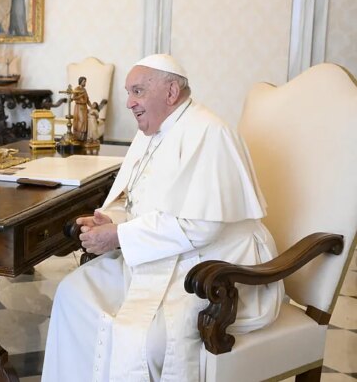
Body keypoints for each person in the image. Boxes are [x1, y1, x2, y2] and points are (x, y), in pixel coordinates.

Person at [42, 54, 283, 381]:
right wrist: (110, 219)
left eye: (137, 91)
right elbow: (132, 195)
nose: (128, 103)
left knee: (151, 341)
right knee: (72, 294)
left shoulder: (209, 132)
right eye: (129, 92)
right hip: (160, 253)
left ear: (171, 93)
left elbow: (203, 226)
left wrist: (119, 236)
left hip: (216, 265)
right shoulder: (150, 132)